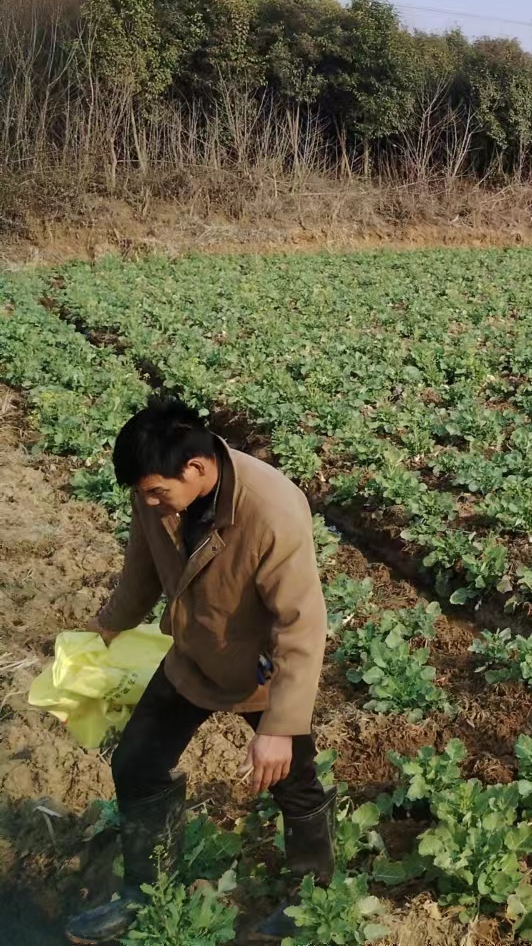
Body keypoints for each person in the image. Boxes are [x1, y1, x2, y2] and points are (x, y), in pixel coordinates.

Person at [66, 397, 330, 944]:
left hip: (260, 672)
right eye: (143, 493)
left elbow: (301, 624)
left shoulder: (273, 510)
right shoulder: (157, 493)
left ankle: (313, 896)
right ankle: (146, 892)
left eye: (156, 491)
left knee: (294, 786)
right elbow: (142, 567)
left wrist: (280, 727)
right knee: (137, 764)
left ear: (197, 467)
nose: (149, 501)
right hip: (191, 655)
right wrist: (107, 626)